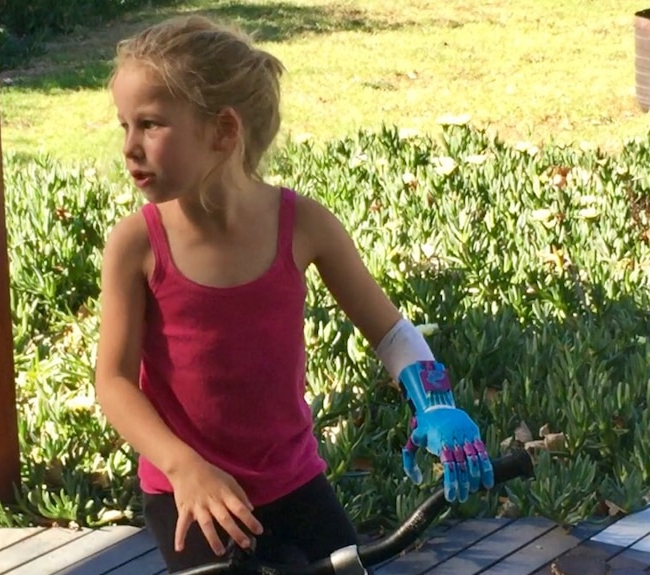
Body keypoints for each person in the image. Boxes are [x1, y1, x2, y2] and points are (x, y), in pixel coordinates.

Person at [93, 14, 495, 573]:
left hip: (294, 482)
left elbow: (392, 331)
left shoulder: (303, 224)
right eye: (124, 126)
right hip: (193, 496)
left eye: (151, 125)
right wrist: (183, 467)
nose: (130, 147)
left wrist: (437, 405)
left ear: (223, 132)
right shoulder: (137, 244)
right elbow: (112, 382)